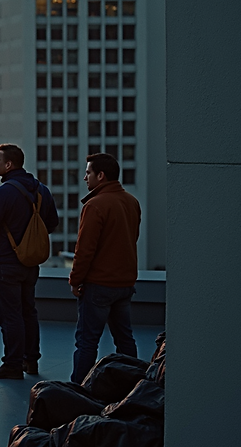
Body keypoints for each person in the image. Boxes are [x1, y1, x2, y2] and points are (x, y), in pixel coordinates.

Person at [0, 144, 59, 379]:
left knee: (10, 315)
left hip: (5, 262)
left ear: (9, 165)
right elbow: (51, 223)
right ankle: (31, 361)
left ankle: (12, 364)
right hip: (31, 263)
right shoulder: (42, 191)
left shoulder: (2, 193)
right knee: (28, 311)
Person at [69, 153, 142, 383]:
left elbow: (85, 250)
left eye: (88, 173)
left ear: (101, 176)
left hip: (99, 285)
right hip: (125, 284)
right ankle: (134, 385)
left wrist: (75, 280)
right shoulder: (132, 202)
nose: (84, 178)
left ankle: (78, 390)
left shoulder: (95, 205)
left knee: (87, 341)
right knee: (125, 339)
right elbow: (132, 239)